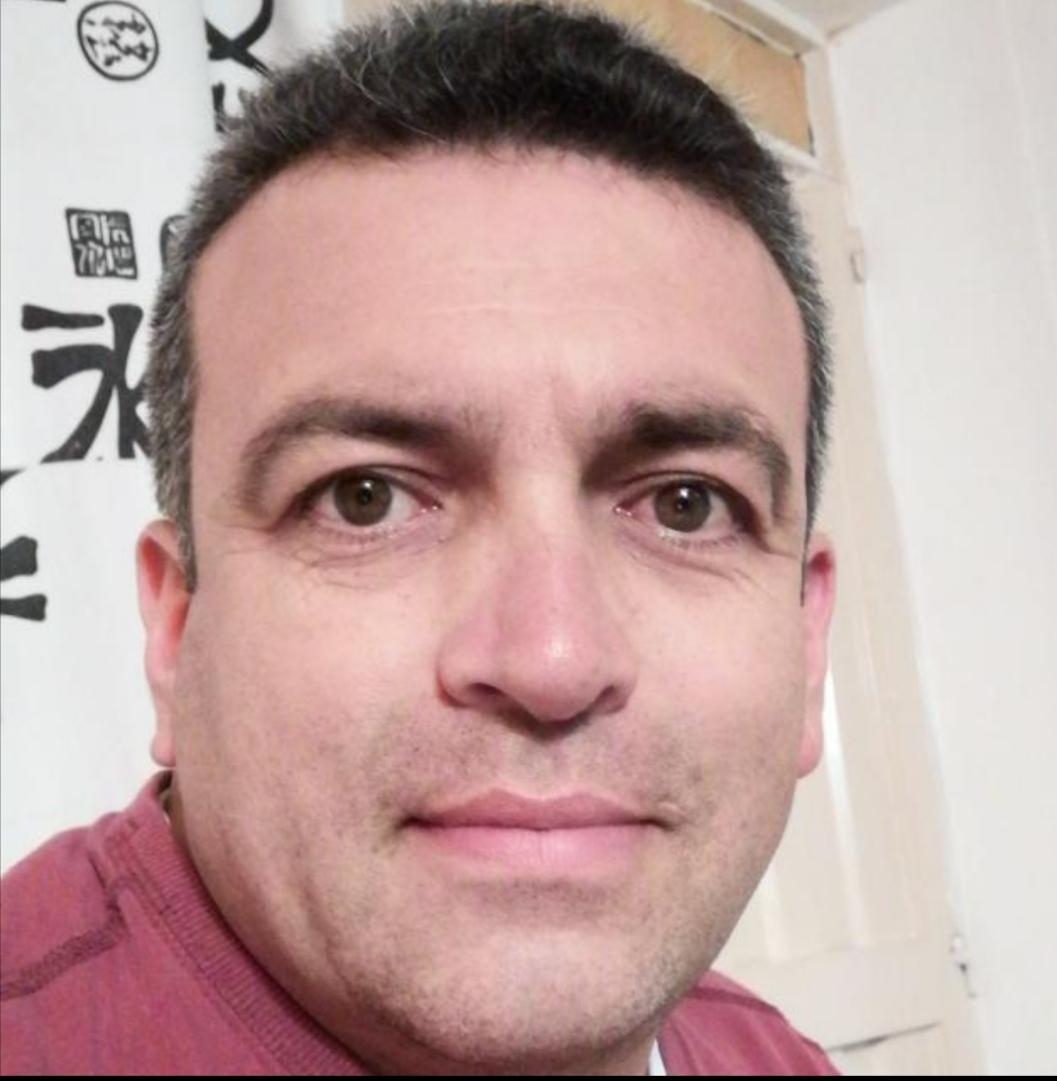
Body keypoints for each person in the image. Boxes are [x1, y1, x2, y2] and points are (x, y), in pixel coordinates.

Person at [0, 1, 838, 1073]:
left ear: (807, 643)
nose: (552, 660)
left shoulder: (777, 1057)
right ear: (174, 629)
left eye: (686, 504)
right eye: (365, 498)